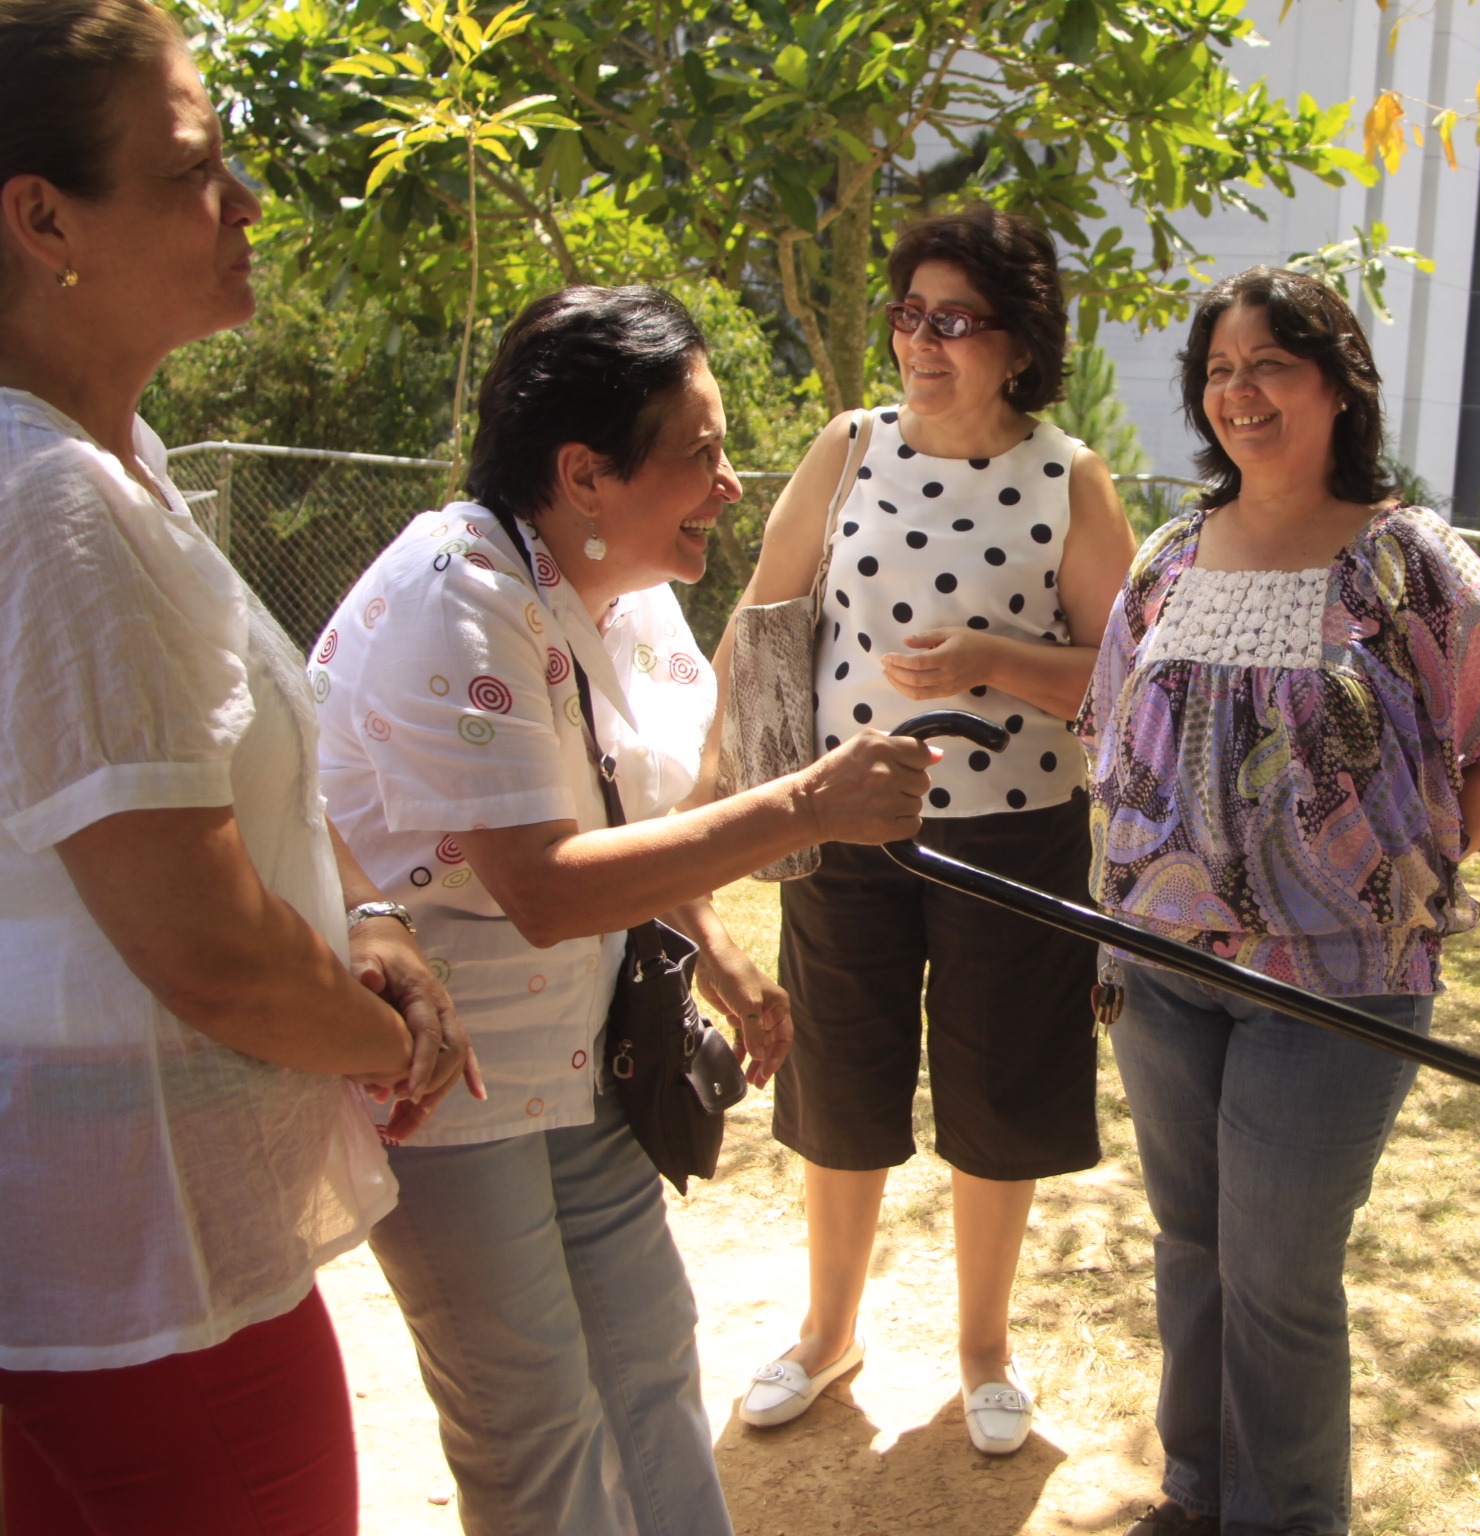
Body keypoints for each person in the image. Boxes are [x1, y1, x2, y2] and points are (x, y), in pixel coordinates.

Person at [314, 284, 936, 1534]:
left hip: (590, 1056)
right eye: (697, 454)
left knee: (652, 1368)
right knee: (534, 1423)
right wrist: (809, 804)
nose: (728, 483)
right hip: (452, 1081)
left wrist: (708, 945)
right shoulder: (460, 596)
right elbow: (543, 886)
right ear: (584, 474)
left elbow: (638, 811)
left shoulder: (632, 592)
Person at [0, 3, 479, 1531]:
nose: (247, 202)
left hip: (148, 1249)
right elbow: (204, 948)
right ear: (41, 219)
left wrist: (375, 929)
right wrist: (382, 1040)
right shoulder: (53, 510)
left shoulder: (112, 464)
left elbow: (229, 771)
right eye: (197, 168)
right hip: (136, 1283)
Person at [1080, 267, 1480, 1536]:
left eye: (1270, 365)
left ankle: (1284, 1521)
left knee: (1278, 1274)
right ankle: (1196, 1493)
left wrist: (1393, 880)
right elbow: (1112, 730)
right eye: (1219, 371)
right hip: (1160, 969)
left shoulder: (1411, 562)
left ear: (1340, 386)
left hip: (1335, 990)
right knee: (1192, 1247)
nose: (1239, 393)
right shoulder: (1171, 555)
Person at [714, 208, 1134, 1455]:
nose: (921, 342)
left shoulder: (1070, 476)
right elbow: (763, 618)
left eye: (953, 320)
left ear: (1018, 342)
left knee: (999, 1086)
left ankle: (983, 1353)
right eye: (908, 314)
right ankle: (826, 1331)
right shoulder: (847, 447)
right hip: (849, 824)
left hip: (1017, 832)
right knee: (840, 1076)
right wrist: (741, 801)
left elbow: (1121, 676)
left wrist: (998, 660)